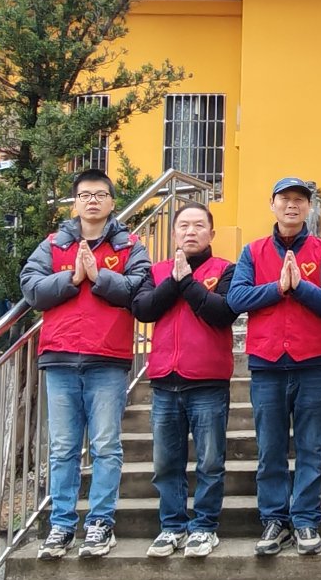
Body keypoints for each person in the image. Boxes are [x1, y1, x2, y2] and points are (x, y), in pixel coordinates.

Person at [20, 168, 150, 560]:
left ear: (112, 202)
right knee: (62, 448)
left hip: (107, 358)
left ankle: (100, 523)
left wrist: (99, 276)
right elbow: (31, 289)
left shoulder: (129, 246)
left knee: (106, 445)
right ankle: (61, 525)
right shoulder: (53, 245)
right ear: (75, 202)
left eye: (100, 195)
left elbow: (139, 290)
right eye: (85, 195)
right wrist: (73, 279)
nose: (92, 201)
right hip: (60, 357)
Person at [226, 177, 321, 557]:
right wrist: (278, 288)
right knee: (270, 448)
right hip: (267, 365)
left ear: (308, 208)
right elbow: (236, 298)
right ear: (272, 204)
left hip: (312, 365)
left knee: (311, 447)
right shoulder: (252, 251)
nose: (292, 205)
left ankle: (305, 518)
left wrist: (300, 287)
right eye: (285, 199)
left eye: (299, 200)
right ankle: (274, 519)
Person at [132, 203, 238, 559]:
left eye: (198, 226)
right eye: (183, 226)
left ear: (211, 233)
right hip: (165, 380)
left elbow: (222, 312)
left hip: (208, 381)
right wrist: (174, 282)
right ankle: (172, 526)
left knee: (210, 462)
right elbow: (144, 309)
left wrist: (188, 283)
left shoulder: (225, 269)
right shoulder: (157, 271)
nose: (190, 232)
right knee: (166, 463)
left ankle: (205, 526)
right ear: (174, 233)